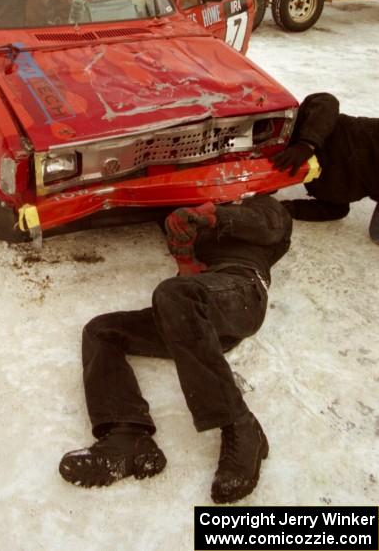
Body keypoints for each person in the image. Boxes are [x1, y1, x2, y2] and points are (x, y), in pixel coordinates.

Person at [59, 195, 292, 504]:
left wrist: (211, 216)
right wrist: (182, 251)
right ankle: (127, 433)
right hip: (192, 315)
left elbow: (270, 227)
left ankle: (241, 425)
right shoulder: (186, 206)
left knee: (174, 293)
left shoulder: (262, 203)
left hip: (242, 289)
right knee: (102, 330)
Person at [272, 91, 379, 240]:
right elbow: (326, 101)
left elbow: (326, 101)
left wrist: (286, 209)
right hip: (326, 166)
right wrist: (306, 144)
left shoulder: (338, 198)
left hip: (335, 178)